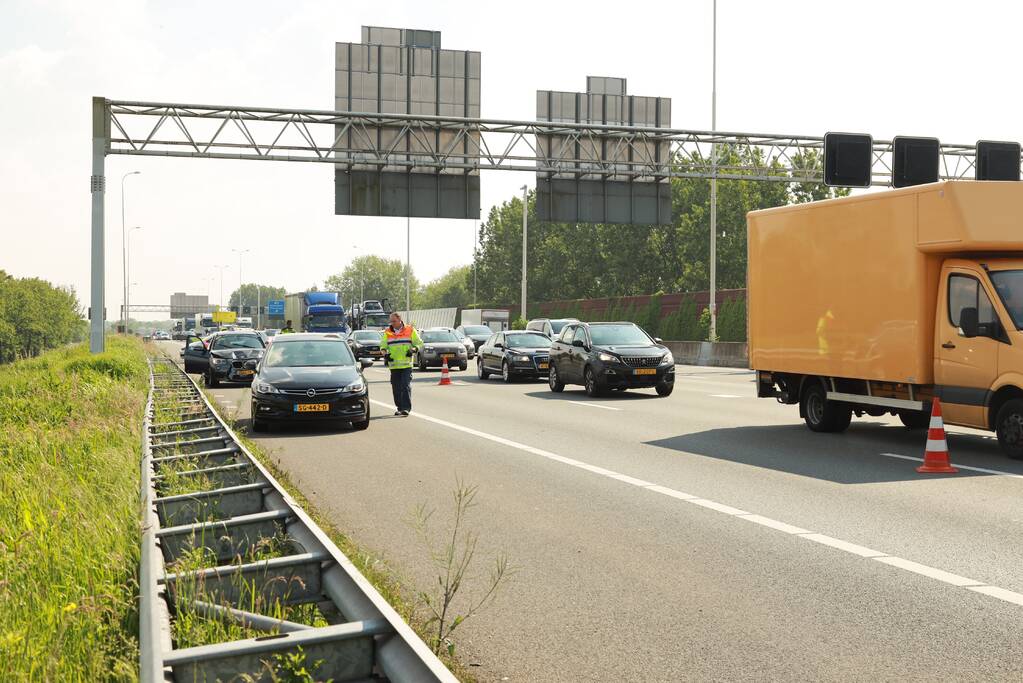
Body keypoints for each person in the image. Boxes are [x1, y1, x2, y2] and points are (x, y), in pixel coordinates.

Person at [380, 312, 423, 416]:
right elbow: (382, 347)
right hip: (394, 365)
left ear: (400, 320)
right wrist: (385, 354)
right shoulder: (387, 332)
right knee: (396, 388)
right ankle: (399, 408)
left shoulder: (410, 330)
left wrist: (413, 349)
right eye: (391, 321)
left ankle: (406, 408)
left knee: (405, 385)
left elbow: (419, 343)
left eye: (394, 321)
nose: (392, 323)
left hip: (406, 365)